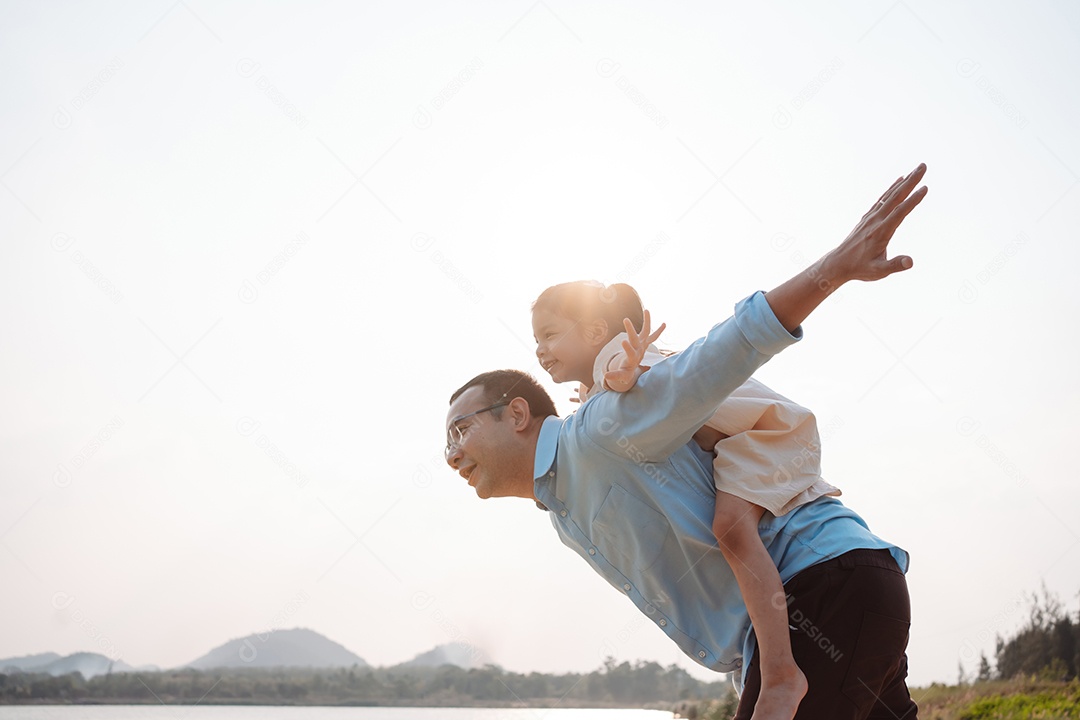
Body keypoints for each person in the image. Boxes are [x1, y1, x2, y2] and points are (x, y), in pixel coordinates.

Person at [445, 164, 928, 719]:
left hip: (821, 588)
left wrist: (831, 271)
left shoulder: (601, 426)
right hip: (836, 596)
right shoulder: (566, 505)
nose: (452, 453)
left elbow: (719, 356)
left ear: (518, 415)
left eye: (461, 429)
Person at [530, 280, 839, 720]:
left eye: (550, 334)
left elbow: (631, 377)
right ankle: (758, 672)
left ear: (597, 331)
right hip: (750, 441)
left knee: (731, 531)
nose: (540, 349)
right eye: (536, 339)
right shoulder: (606, 377)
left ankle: (781, 672)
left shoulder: (621, 356)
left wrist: (620, 376)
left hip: (769, 435)